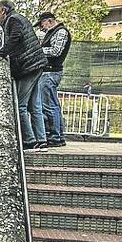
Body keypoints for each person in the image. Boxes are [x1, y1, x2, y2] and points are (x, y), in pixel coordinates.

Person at [0, 0, 48, 150]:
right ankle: (41, 140)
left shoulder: (13, 19)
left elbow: (15, 38)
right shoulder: (17, 18)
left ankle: (29, 140)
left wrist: (0, 54)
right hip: (36, 64)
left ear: (3, 10)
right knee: (35, 105)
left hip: (29, 66)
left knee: (21, 105)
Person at [34, 11, 72, 148]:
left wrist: (38, 49)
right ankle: (58, 136)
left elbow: (56, 51)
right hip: (49, 73)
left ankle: (54, 136)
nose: (41, 27)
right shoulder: (54, 32)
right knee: (53, 105)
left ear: (49, 21)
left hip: (50, 72)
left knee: (49, 106)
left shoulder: (61, 32)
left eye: (42, 24)